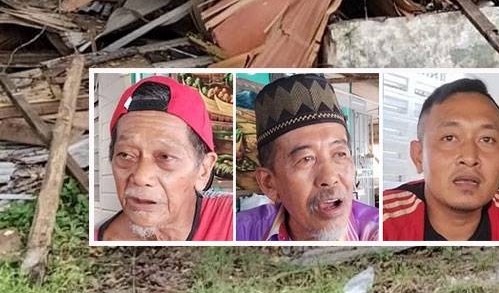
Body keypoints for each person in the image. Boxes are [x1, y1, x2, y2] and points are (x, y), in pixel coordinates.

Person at [236, 74, 379, 241]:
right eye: (306, 159)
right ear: (269, 183)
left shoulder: (381, 230)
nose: (330, 177)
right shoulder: (240, 232)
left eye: (340, 154)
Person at [382, 78, 499, 242]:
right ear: (418, 155)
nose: (470, 158)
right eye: (449, 138)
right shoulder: (383, 219)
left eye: (486, 140)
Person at [96, 76, 233, 241]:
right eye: (125, 155)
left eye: (165, 157)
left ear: (203, 170)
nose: (141, 177)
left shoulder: (232, 222)